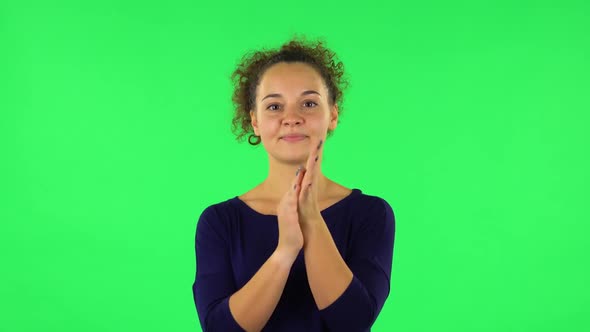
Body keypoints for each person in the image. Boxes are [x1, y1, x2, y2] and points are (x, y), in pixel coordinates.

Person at [192, 36, 396, 332]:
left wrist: (311, 219)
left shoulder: (371, 214)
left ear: (333, 115)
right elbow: (220, 329)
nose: (292, 118)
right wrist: (285, 252)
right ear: (255, 122)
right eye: (274, 106)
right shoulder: (219, 222)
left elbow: (352, 323)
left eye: (309, 103)